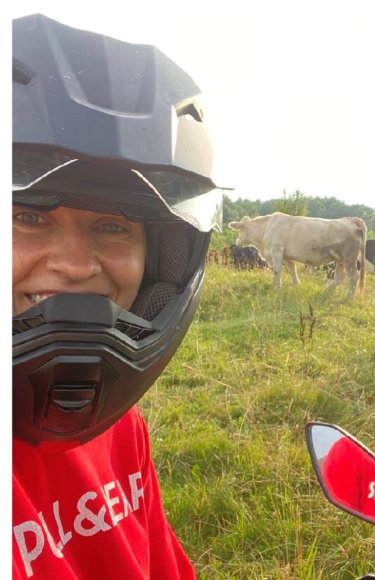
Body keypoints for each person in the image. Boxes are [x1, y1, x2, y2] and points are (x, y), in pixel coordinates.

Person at [12, 13, 224, 578]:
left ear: (162, 263)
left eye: (114, 226)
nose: (77, 266)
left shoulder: (118, 427)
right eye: (28, 215)